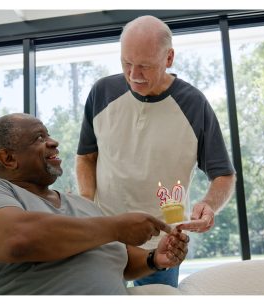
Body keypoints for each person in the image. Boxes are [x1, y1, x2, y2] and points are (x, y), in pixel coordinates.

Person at [76, 15, 236, 287]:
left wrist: (209, 205)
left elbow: (224, 175)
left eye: (145, 66)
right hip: (105, 237)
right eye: (127, 63)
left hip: (162, 244)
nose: (134, 75)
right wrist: (86, 206)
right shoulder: (102, 92)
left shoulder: (193, 104)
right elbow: (86, 157)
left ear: (169, 58)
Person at [0, 113, 189, 295]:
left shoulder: (84, 206)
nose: (54, 142)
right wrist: (115, 227)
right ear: (8, 158)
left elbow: (120, 258)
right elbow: (17, 239)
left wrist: (155, 258)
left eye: (48, 135)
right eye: (39, 138)